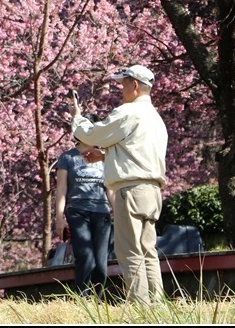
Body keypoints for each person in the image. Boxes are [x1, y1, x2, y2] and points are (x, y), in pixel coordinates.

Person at [70, 64, 168, 304]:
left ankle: (141, 307)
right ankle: (157, 306)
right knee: (148, 251)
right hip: (152, 191)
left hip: (132, 190)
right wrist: (106, 157)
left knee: (129, 251)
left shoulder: (129, 112)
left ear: (135, 85)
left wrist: (77, 118)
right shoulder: (156, 119)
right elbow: (137, 153)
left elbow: (94, 134)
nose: (121, 89)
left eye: (124, 84)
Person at [55, 137, 114, 298]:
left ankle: (97, 301)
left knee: (101, 263)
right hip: (77, 210)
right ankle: (82, 298)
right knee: (85, 256)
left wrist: (117, 211)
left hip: (102, 212)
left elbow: (110, 189)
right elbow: (61, 189)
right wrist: (59, 217)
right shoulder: (68, 157)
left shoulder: (103, 156)